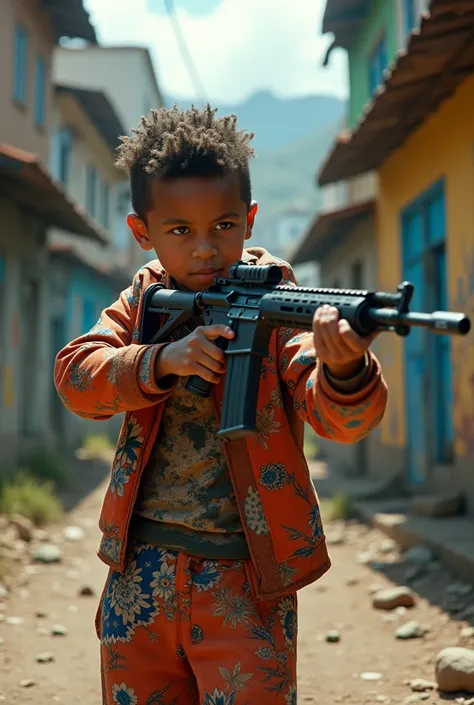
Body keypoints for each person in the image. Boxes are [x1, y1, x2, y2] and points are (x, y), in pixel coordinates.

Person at [54, 104, 388, 705]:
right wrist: (161, 360)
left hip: (247, 576)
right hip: (140, 569)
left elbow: (342, 417)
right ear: (143, 232)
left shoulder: (279, 302)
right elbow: (77, 378)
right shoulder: (142, 302)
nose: (206, 249)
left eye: (225, 226)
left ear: (251, 220)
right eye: (180, 230)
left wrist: (345, 366)